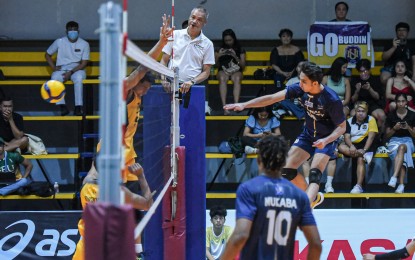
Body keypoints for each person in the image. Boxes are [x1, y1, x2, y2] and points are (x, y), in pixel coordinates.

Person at [224, 61, 347, 208]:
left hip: (326, 138)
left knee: (315, 174)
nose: (299, 83)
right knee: (285, 170)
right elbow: (271, 98)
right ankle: (312, 198)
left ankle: (304, 209)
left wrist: (326, 140)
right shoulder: (301, 89)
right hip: (308, 135)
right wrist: (244, 105)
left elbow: (342, 127)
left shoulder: (331, 99)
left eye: (303, 81)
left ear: (314, 83)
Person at [221, 135, 322, 259]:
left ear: (259, 160)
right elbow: (316, 244)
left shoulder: (249, 189)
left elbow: (240, 235)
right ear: (285, 162)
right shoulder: (299, 195)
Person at [123, 14, 173, 257]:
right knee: (122, 203)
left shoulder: (137, 96)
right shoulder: (124, 88)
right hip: (112, 155)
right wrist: (162, 44)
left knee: (137, 205)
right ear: (139, 83)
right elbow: (140, 71)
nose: (144, 93)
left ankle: (137, 251)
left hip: (127, 154)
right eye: (144, 88)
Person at [72, 162, 154, 260]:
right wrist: (140, 175)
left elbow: (94, 165)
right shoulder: (120, 192)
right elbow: (148, 205)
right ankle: (138, 254)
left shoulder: (86, 183)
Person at [160, 6, 215, 114]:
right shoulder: (174, 35)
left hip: (193, 88)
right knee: (167, 123)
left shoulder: (208, 44)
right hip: (170, 86)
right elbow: (163, 60)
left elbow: (206, 72)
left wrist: (191, 82)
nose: (194, 21)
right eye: (193, 17)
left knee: (190, 124)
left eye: (199, 19)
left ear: (205, 23)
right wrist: (163, 79)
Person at [45, 21, 90, 116]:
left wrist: (71, 72)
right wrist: (53, 67)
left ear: (78, 31)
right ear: (66, 31)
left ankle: (78, 107)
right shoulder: (59, 41)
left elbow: (84, 63)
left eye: (75, 30)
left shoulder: (84, 44)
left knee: (78, 78)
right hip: (62, 68)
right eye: (70, 30)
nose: (72, 32)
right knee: (54, 78)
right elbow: (47, 54)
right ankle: (62, 106)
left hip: (77, 69)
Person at [337, 101, 378, 193]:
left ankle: (358, 186)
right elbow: (347, 137)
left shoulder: (371, 119)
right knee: (340, 147)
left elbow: (371, 137)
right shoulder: (349, 121)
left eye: (363, 111)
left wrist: (364, 150)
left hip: (367, 145)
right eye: (358, 111)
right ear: (355, 112)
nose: (360, 113)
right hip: (353, 145)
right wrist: (351, 146)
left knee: (360, 159)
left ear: (366, 112)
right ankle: (353, 154)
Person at [384, 93, 415, 193]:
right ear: (396, 103)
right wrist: (394, 128)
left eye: (403, 101)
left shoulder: (412, 115)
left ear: (406, 102)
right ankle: (401, 184)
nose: (401, 103)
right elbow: (386, 136)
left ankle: (394, 177)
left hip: (408, 141)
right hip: (394, 141)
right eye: (399, 101)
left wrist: (408, 128)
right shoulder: (391, 115)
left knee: (402, 148)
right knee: (401, 154)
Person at [350, 59, 386, 133]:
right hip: (359, 104)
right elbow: (353, 100)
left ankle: (379, 137)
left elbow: (377, 97)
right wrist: (357, 91)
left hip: (373, 104)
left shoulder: (375, 79)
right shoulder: (354, 80)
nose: (363, 73)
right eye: (361, 71)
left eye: (365, 70)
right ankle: (356, 135)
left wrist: (370, 89)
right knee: (353, 114)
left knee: (382, 116)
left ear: (369, 70)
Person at [215, 29, 246, 115]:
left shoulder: (240, 48)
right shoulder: (220, 48)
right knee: (222, 78)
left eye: (230, 40)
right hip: (223, 69)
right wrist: (218, 56)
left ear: (234, 39)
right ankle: (225, 107)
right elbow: (216, 66)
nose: (228, 42)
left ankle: (236, 105)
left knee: (236, 78)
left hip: (236, 69)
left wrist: (235, 56)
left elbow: (243, 66)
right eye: (226, 40)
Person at [380, 22, 415, 86]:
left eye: (404, 30)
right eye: (399, 30)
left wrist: (414, 76)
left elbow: (414, 62)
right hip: (391, 67)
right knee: (384, 79)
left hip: (406, 68)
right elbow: (384, 58)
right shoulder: (390, 43)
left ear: (407, 32)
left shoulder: (412, 45)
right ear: (396, 32)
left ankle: (405, 94)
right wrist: (394, 47)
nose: (401, 32)